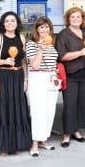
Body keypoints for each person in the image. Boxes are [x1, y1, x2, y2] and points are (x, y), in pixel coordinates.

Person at [0, 11, 31, 155]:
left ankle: (16, 143)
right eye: (7, 21)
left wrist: (25, 79)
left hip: (18, 76)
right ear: (3, 24)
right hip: (3, 76)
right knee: (3, 109)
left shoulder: (21, 38)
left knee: (18, 109)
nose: (10, 23)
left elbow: (23, 61)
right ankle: (3, 145)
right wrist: (4, 61)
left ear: (17, 23)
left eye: (13, 20)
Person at [56, 7, 85, 147]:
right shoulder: (63, 35)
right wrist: (80, 53)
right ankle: (66, 134)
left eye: (78, 17)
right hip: (70, 74)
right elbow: (61, 56)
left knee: (82, 103)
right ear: (68, 19)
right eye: (73, 17)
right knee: (69, 105)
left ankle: (76, 130)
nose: (76, 19)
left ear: (82, 19)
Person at [25, 17, 60, 155]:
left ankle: (43, 139)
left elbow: (53, 62)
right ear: (37, 29)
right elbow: (34, 65)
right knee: (37, 111)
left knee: (49, 110)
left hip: (51, 78)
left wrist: (55, 70)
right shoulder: (31, 44)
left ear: (50, 29)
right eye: (41, 27)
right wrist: (40, 49)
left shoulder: (52, 44)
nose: (44, 29)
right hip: (37, 78)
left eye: (46, 27)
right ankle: (34, 143)